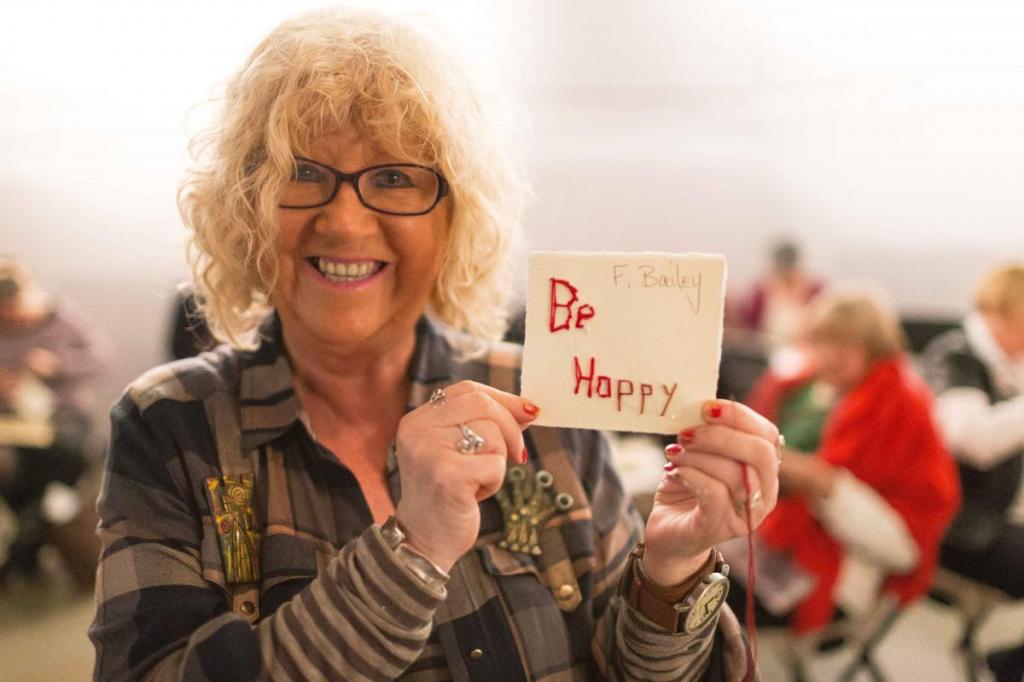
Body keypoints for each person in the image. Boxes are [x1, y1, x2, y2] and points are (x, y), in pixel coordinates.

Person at [88, 9, 782, 681]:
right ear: (243, 206)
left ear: (457, 215)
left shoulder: (544, 403)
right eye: (301, 172)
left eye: (393, 178)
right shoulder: (172, 425)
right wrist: (412, 550)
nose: (346, 221)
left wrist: (669, 573)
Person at [741, 286, 959, 632]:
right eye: (821, 342)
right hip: (776, 549)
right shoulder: (816, 391)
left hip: (834, 573)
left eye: (843, 344)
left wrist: (822, 484)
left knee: (693, 600)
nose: (827, 355)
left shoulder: (900, 407)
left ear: (874, 348)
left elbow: (905, 551)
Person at [921, 264, 1024, 682]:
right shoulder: (955, 354)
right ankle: (1011, 664)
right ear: (1001, 313)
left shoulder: (1009, 364)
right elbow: (973, 440)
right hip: (965, 528)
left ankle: (1011, 662)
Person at [0, 254, 110, 581]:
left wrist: (57, 365)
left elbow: (100, 358)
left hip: (63, 417)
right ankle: (33, 533)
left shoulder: (61, 317)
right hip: (12, 424)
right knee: (10, 471)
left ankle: (32, 536)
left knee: (68, 457)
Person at [740, 240, 823, 350]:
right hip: (766, 349)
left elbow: (821, 325)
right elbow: (750, 324)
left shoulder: (814, 289)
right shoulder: (761, 290)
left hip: (804, 349)